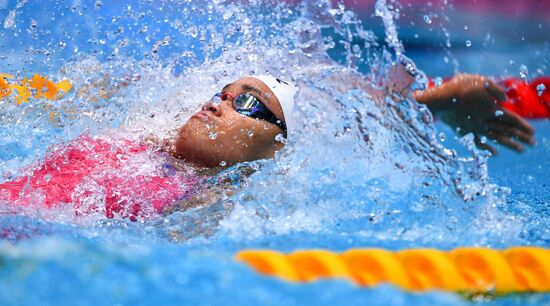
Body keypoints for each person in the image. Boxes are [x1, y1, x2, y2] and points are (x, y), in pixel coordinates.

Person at [0, 71, 536, 221]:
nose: (217, 104)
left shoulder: (207, 204)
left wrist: (431, 102)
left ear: (279, 150)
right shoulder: (141, 138)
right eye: (221, 94)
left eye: (249, 105)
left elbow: (350, 113)